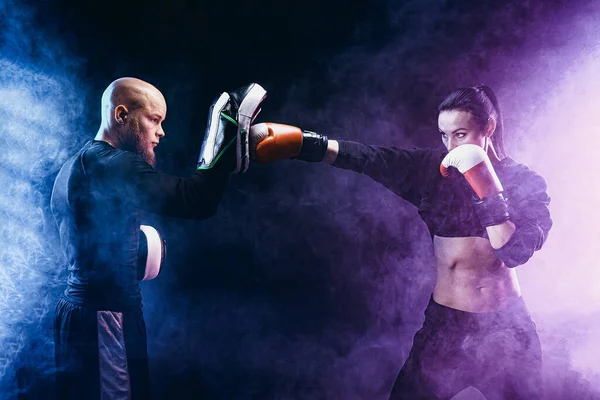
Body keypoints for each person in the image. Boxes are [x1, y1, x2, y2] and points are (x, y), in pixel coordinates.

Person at [248, 85, 552, 399]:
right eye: (443, 134)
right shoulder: (432, 172)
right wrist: (305, 144)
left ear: (489, 126)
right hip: (447, 327)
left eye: (460, 134)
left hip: (507, 329)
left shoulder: (525, 183)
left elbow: (514, 252)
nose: (450, 146)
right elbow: (370, 158)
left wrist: (487, 188)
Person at [50, 77, 266, 399]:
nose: (161, 132)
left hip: (81, 315)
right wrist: (224, 127)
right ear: (121, 116)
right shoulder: (113, 165)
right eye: (154, 120)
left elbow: (92, 248)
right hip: (106, 320)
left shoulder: (78, 164)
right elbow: (197, 200)